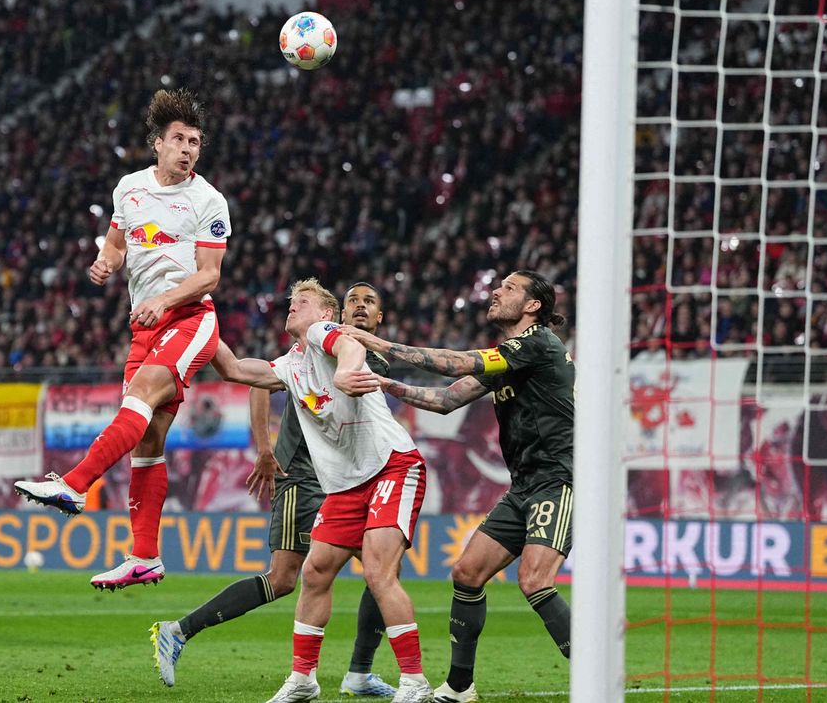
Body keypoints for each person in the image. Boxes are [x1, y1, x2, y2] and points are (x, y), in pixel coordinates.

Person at [14, 88, 232, 590]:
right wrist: (106, 263)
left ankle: (74, 484)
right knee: (146, 441)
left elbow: (210, 275)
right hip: (143, 326)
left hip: (189, 318)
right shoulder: (129, 188)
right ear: (158, 143)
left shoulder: (208, 200)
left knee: (141, 397)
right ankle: (145, 556)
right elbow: (116, 244)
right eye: (179, 139)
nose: (188, 149)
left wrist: (165, 300)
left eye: (195, 142)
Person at [151, 283, 401, 697]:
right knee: (285, 578)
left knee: (383, 568)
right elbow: (252, 378)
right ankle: (180, 630)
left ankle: (358, 672)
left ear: (379, 318)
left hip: (346, 481)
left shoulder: (367, 357)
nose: (360, 307)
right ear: (337, 315)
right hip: (303, 475)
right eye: (353, 301)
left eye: (369, 302)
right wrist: (265, 448)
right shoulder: (312, 351)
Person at [337, 270, 573, 703]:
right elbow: (446, 400)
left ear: (533, 305)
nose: (496, 291)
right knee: (467, 573)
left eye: (509, 288)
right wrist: (387, 385)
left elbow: (459, 363)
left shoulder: (537, 344)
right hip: (524, 485)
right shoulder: (509, 358)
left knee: (535, 579)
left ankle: (597, 676)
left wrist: (380, 345)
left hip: (559, 480)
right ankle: (461, 687)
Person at [208, 279, 433, 703]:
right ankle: (303, 679)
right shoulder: (290, 364)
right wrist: (200, 321)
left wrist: (346, 371)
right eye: (291, 302)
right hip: (346, 484)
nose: (292, 306)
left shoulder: (324, 333)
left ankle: (414, 682)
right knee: (314, 572)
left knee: (378, 572)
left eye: (303, 301)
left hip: (391, 466)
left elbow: (349, 346)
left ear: (326, 314)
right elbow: (234, 369)